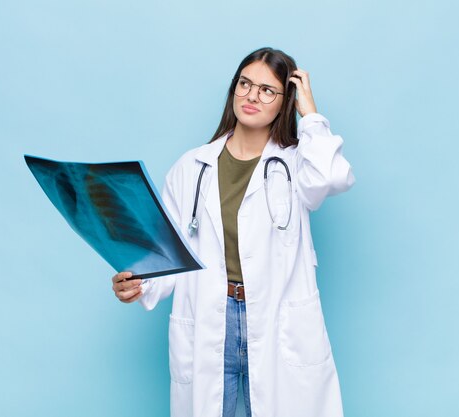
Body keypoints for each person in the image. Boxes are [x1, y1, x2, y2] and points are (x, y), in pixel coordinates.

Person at [111, 47, 355, 417]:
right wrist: (138, 283)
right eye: (245, 84)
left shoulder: (296, 163)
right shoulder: (191, 167)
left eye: (268, 90)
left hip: (277, 318)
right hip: (211, 315)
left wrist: (312, 115)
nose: (252, 96)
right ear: (234, 89)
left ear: (285, 102)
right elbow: (168, 253)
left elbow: (333, 177)